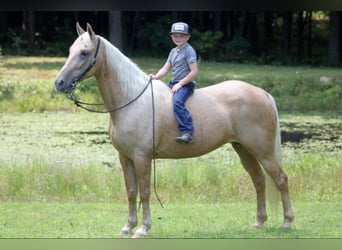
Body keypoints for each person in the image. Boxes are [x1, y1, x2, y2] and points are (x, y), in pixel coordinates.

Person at [149, 22, 198, 144]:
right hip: (173, 82)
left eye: (181, 36)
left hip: (186, 84)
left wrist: (180, 84)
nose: (178, 38)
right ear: (171, 37)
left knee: (177, 102)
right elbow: (166, 68)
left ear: (187, 37)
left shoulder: (189, 51)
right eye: (175, 36)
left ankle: (187, 132)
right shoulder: (173, 51)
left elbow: (194, 72)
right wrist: (156, 77)